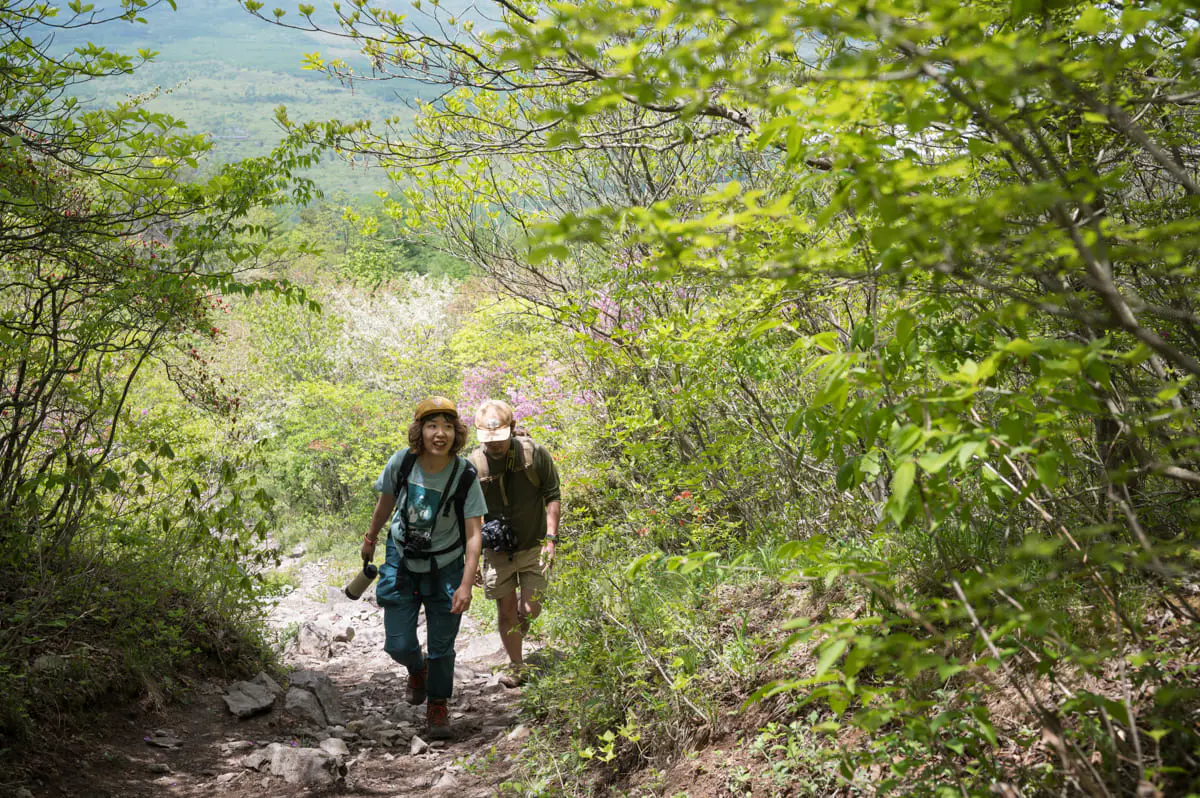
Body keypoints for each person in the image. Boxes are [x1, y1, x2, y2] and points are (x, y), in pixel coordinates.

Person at [361, 396, 485, 739]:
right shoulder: (403, 462)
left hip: (446, 565)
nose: (440, 434)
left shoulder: (465, 475)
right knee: (397, 643)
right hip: (401, 557)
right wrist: (370, 538)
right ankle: (417, 670)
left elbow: (474, 534)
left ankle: (438, 705)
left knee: (442, 644)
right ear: (420, 431)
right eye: (432, 426)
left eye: (447, 427)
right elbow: (385, 502)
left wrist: (466, 584)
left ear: (456, 433)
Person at [468, 399, 561, 687]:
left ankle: (514, 642)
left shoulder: (534, 454)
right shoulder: (473, 465)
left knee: (530, 609)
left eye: (499, 437)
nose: (494, 444)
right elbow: (469, 514)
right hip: (497, 551)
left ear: (513, 428)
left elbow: (552, 495)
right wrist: (471, 559)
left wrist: (551, 539)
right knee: (506, 610)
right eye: (488, 438)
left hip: (534, 545)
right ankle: (517, 665)